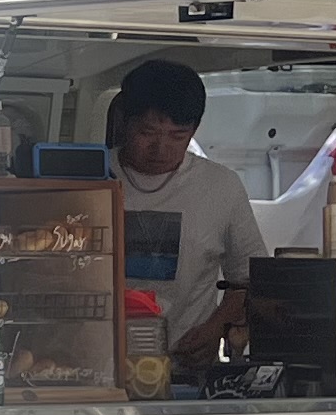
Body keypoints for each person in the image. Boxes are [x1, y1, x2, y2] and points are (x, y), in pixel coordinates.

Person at [107, 56, 268, 363]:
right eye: (147, 133)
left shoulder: (220, 186)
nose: (161, 148)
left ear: (194, 130)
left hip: (185, 363)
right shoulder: (93, 176)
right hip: (99, 362)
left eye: (177, 136)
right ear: (124, 121)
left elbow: (248, 279)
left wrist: (216, 326)